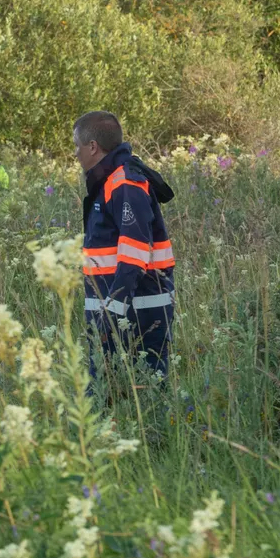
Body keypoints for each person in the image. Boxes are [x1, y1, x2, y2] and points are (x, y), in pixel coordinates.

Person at [73, 111, 176, 378]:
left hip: (135, 310)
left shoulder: (125, 183)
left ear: (93, 147)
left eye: (77, 146)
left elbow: (135, 249)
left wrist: (114, 305)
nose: (76, 154)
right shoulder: (110, 181)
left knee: (143, 396)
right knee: (111, 394)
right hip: (117, 309)